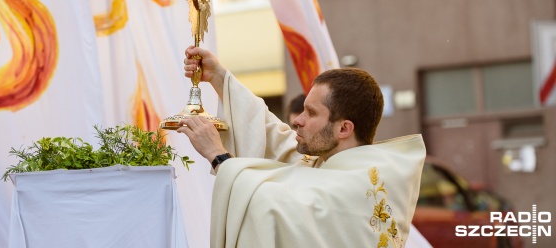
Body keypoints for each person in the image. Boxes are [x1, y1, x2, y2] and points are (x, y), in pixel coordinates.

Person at [177, 46, 426, 248]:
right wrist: (219, 78)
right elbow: (273, 137)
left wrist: (218, 156)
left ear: (343, 129)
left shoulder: (355, 190)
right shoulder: (328, 161)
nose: (297, 120)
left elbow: (271, 207)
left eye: (311, 112)